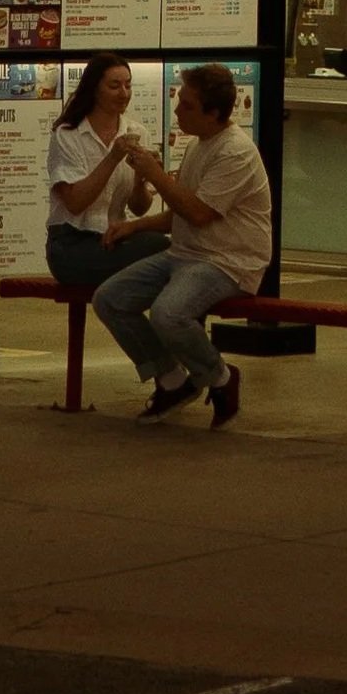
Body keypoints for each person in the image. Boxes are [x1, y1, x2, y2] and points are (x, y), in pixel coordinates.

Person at [93, 63, 272, 428]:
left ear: (214, 112)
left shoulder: (235, 152)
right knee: (110, 298)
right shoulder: (198, 144)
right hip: (185, 254)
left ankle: (219, 376)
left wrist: (153, 173)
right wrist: (134, 226)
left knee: (168, 314)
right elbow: (180, 212)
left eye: (186, 105)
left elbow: (199, 212)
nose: (177, 111)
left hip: (228, 261)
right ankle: (172, 379)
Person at [44, 52, 163, 286]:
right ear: (94, 89)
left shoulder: (137, 131)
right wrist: (113, 156)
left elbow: (139, 209)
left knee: (167, 248)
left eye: (128, 85)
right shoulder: (68, 134)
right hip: (72, 244)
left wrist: (142, 176)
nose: (124, 93)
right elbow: (76, 203)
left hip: (115, 238)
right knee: (161, 253)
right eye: (114, 86)